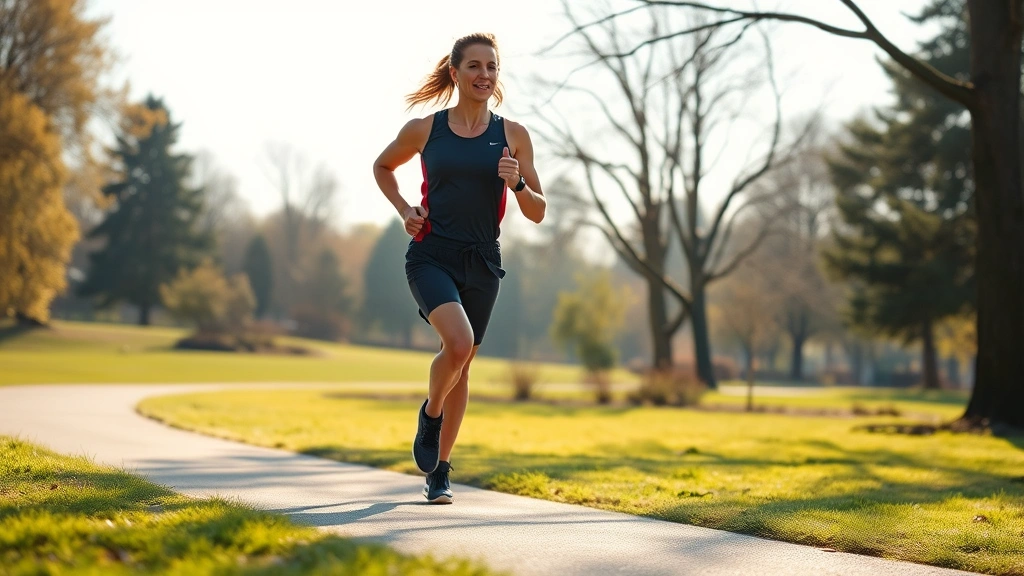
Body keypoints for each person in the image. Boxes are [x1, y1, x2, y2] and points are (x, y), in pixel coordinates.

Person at [372, 33, 546, 504]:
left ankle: (440, 472)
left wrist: (518, 187)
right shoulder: (426, 130)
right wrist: (405, 209)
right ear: (455, 72)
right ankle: (431, 415)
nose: (483, 75)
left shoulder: (512, 135)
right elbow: (383, 166)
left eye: (491, 67)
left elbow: (538, 211)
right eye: (473, 67)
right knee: (460, 342)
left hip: (484, 261)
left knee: (463, 369)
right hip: (431, 254)